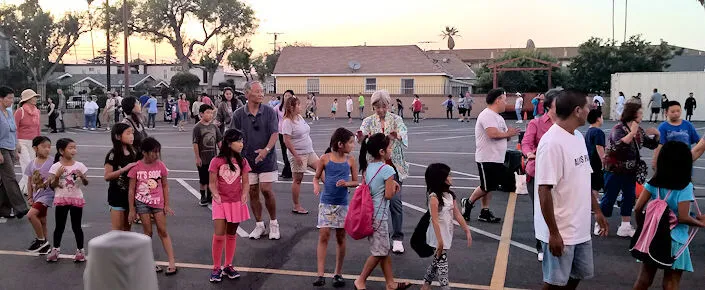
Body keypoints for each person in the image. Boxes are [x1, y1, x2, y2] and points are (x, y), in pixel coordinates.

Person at [534, 89, 609, 290]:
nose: (590, 110)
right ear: (577, 111)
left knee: (577, 276)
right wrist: (553, 233)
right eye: (587, 107)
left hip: (580, 227)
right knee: (555, 283)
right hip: (562, 229)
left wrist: (598, 211)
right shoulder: (551, 143)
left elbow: (585, 178)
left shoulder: (577, 136)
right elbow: (544, 191)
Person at [632, 141, 705, 290]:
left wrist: (643, 226)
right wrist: (700, 223)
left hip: (652, 237)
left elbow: (638, 208)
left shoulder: (653, 183)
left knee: (644, 278)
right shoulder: (685, 186)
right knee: (671, 281)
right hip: (676, 239)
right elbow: (683, 217)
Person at [353, 133, 411, 290]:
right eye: (389, 147)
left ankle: (390, 283)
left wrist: (392, 186)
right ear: (382, 152)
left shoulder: (368, 168)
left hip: (369, 214)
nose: (391, 149)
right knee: (379, 253)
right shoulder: (388, 169)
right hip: (380, 216)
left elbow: (373, 189)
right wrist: (394, 187)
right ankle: (360, 280)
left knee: (383, 250)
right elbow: (388, 195)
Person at [358, 90, 409, 254]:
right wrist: (361, 137)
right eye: (377, 107)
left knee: (395, 202)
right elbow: (362, 134)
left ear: (389, 105)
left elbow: (404, 132)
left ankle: (398, 237)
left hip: (393, 166)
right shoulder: (368, 121)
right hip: (374, 166)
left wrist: (398, 136)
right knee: (375, 202)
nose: (380, 110)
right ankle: (380, 235)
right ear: (372, 107)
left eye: (383, 106)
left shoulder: (396, 119)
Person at [598, 102, 659, 237]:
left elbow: (651, 144)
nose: (642, 116)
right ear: (633, 114)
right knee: (609, 197)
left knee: (629, 196)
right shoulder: (618, 129)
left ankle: (625, 226)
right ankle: (600, 223)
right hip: (614, 170)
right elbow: (616, 146)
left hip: (630, 171)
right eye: (640, 113)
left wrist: (656, 135)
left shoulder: (640, 130)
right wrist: (632, 133)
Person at [230, 81, 281, 240]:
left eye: (262, 91)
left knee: (266, 189)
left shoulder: (269, 112)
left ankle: (274, 223)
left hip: (267, 159)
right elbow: (232, 135)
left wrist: (266, 150)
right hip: (247, 161)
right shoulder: (238, 114)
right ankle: (259, 225)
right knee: (252, 191)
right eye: (257, 91)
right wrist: (234, 155)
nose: (261, 94)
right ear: (247, 94)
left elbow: (274, 134)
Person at [461, 88, 518, 224]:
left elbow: (504, 136)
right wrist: (508, 134)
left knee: (489, 185)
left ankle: (484, 211)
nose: (506, 103)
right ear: (498, 100)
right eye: (504, 100)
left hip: (497, 157)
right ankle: (468, 202)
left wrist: (508, 134)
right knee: (487, 186)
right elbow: (492, 134)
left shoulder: (498, 117)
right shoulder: (487, 115)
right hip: (487, 157)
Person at [311, 128, 358, 287]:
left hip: (342, 203)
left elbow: (356, 181)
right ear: (340, 144)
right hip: (327, 202)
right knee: (324, 235)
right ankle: (320, 274)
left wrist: (347, 183)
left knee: (340, 237)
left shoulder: (351, 160)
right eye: (350, 142)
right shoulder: (324, 159)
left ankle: (338, 273)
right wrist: (316, 186)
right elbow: (316, 178)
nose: (353, 145)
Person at [128, 137, 178, 275]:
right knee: (147, 232)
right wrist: (132, 209)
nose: (156, 155)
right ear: (144, 152)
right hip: (142, 202)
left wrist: (167, 204)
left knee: (162, 230)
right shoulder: (136, 167)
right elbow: (131, 189)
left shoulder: (160, 165)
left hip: (158, 202)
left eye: (158, 152)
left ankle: (172, 261)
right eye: (153, 152)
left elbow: (165, 185)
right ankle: (149, 261)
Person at [521, 88, 560, 261]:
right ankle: (541, 245)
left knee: (558, 209)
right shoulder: (536, 123)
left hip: (559, 173)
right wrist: (529, 153)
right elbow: (526, 143)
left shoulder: (564, 125)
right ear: (549, 105)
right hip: (538, 172)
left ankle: (558, 240)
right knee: (541, 210)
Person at [208, 129, 251, 283]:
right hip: (221, 202)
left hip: (236, 202)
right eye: (238, 141)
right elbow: (212, 183)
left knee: (231, 234)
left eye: (242, 141)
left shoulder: (243, 161)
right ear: (228, 143)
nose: (241, 144)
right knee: (219, 235)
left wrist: (245, 193)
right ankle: (216, 268)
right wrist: (215, 194)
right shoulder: (217, 161)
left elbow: (246, 182)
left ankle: (228, 265)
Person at [421, 163, 472, 290]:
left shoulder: (450, 195)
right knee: (443, 265)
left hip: (446, 232)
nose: (451, 177)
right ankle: (445, 287)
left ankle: (426, 284)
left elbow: (457, 213)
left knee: (437, 260)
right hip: (437, 235)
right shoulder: (434, 197)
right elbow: (434, 220)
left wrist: (466, 230)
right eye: (448, 175)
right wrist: (439, 241)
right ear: (441, 179)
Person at [46, 138, 89, 263]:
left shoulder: (80, 165)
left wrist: (82, 176)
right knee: (60, 226)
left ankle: (80, 250)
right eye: (70, 148)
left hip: (76, 198)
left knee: (77, 226)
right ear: (61, 151)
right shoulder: (56, 166)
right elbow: (52, 186)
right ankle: (55, 250)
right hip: (61, 199)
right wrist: (58, 175)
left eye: (74, 147)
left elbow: (86, 183)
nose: (73, 150)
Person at [282, 96, 317, 215]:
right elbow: (286, 141)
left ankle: (333, 195)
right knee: (298, 180)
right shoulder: (287, 122)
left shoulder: (300, 117)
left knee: (322, 169)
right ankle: (296, 206)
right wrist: (296, 156)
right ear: (292, 107)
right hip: (298, 154)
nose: (300, 107)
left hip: (309, 151)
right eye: (298, 105)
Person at [0, 86, 28, 219]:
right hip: (2, 149)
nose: (12, 100)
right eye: (9, 98)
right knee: (10, 177)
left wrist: (16, 147)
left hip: (11, 147)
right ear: (1, 98)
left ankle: (4, 210)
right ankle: (21, 207)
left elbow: (13, 131)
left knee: (4, 180)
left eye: (12, 98)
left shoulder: (9, 112)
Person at [104, 123, 138, 231]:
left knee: (127, 229)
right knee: (117, 230)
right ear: (118, 137)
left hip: (130, 197)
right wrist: (124, 169)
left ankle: (126, 248)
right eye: (128, 133)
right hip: (116, 197)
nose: (131, 136)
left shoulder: (134, 152)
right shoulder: (112, 154)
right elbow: (107, 176)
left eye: (132, 133)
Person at [24, 136, 54, 254]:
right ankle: (46, 245)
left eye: (49, 147)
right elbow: (29, 181)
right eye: (44, 146)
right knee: (42, 220)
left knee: (31, 215)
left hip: (47, 195)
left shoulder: (52, 161)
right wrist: (30, 197)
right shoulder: (32, 163)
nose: (47, 149)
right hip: (37, 195)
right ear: (35, 148)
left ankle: (41, 240)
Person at [653, 100, 700, 169]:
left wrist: (691, 156)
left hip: (685, 162)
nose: (676, 113)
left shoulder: (688, 125)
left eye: (678, 111)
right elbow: (659, 146)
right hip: (668, 162)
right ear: (666, 113)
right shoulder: (662, 127)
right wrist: (655, 162)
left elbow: (699, 141)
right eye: (673, 112)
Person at [193, 104, 222, 206]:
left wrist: (223, 154)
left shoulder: (214, 127)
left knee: (212, 178)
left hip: (213, 158)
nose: (210, 115)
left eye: (211, 113)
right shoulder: (197, 127)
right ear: (201, 114)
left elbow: (219, 141)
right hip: (203, 158)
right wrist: (197, 157)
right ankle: (203, 196)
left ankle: (210, 195)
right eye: (207, 113)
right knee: (203, 179)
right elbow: (195, 143)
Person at [15, 89, 42, 196]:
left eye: (35, 97)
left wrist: (39, 143)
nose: (35, 99)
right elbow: (14, 128)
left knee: (33, 165)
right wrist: (16, 143)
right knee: (26, 165)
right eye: (33, 97)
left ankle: (21, 187)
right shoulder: (20, 111)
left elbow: (38, 128)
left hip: (33, 142)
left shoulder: (37, 111)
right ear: (28, 99)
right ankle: (28, 188)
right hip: (21, 141)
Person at [585, 109, 606, 210]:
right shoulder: (598, 132)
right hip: (596, 161)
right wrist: (603, 160)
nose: (602, 119)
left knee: (593, 183)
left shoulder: (589, 131)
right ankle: (594, 205)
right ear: (598, 119)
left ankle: (592, 203)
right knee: (597, 184)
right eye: (601, 117)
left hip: (589, 160)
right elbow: (599, 147)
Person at [276, 90, 294, 180]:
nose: (287, 97)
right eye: (285, 95)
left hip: (290, 132)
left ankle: (287, 171)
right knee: (284, 152)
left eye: (289, 95)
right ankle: (287, 170)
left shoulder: (293, 107)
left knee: (289, 151)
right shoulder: (279, 107)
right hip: (281, 132)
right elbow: (272, 115)